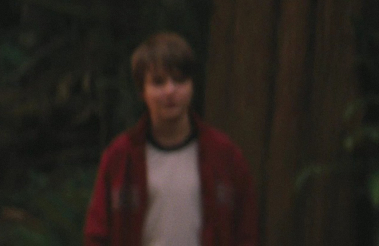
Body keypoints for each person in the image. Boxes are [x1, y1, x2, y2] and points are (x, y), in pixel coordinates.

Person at [84, 32, 258, 245]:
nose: (170, 91)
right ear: (142, 91)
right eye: (158, 82)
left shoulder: (224, 155)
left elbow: (246, 232)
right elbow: (97, 235)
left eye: (179, 80)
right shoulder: (120, 156)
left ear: (192, 85)